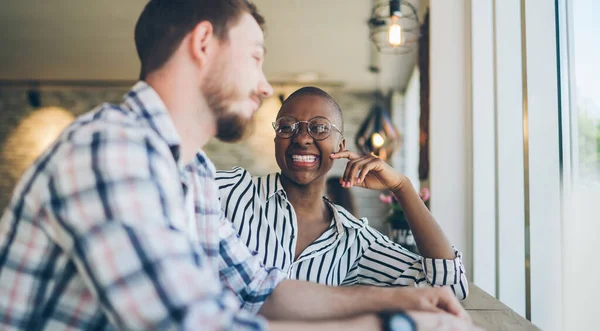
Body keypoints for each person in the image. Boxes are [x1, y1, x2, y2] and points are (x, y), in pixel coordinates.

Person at [0, 1, 480, 330]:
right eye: (255, 57)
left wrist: (404, 299)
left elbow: (261, 289)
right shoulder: (112, 151)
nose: (265, 86)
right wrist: (392, 325)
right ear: (203, 43)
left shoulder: (194, 174)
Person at [216, 87, 469, 299]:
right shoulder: (231, 192)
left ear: (340, 146)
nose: (302, 138)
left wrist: (402, 187)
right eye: (287, 126)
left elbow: (449, 288)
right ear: (275, 139)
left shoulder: (354, 240)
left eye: (319, 128)